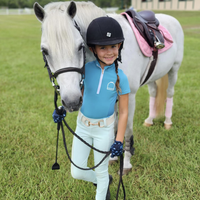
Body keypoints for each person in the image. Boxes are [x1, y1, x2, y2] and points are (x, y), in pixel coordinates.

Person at [53, 16, 130, 200]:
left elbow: (124, 111)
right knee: (77, 171)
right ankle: (104, 180)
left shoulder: (121, 77)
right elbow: (76, 92)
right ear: (93, 49)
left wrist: (119, 141)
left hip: (104, 130)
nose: (109, 52)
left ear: (119, 46)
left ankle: (102, 183)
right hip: (83, 127)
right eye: (103, 47)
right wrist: (62, 110)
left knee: (101, 170)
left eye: (113, 46)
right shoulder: (86, 69)